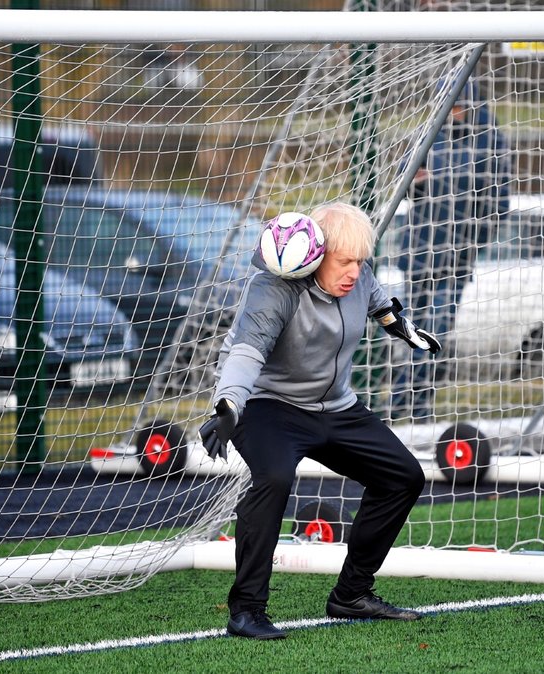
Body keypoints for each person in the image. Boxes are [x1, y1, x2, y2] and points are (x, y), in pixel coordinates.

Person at [199, 202, 440, 641]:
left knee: (403, 476)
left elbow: (379, 302)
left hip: (335, 407)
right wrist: (230, 403)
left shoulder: (359, 277)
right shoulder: (272, 289)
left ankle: (352, 593)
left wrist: (402, 327)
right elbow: (247, 351)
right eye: (343, 261)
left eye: (360, 261)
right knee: (273, 477)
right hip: (268, 405)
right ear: (314, 255)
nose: (354, 271)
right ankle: (247, 609)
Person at [392, 79, 511, 421]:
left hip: (456, 258)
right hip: (417, 254)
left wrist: (475, 242)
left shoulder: (489, 141)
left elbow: (498, 202)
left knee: (435, 331)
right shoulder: (429, 133)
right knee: (413, 331)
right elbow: (405, 180)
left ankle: (402, 403)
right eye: (450, 106)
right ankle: (415, 407)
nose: (454, 113)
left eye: (460, 107)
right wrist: (417, 180)